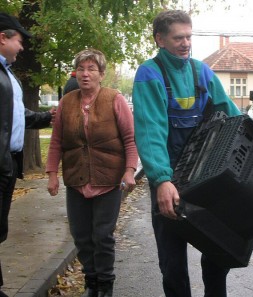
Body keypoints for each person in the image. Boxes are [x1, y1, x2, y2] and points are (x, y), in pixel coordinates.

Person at [132, 10, 241, 297]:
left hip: (205, 175)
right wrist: (161, 180)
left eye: (189, 36)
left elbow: (229, 112)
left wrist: (252, 137)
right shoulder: (149, 74)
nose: (185, 43)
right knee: (172, 263)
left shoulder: (201, 71)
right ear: (160, 39)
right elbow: (150, 130)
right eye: (178, 37)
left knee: (218, 252)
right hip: (169, 179)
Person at [46, 48, 138, 297]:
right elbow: (56, 142)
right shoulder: (67, 102)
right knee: (81, 236)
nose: (85, 75)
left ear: (101, 74)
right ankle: (91, 282)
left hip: (109, 179)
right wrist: (52, 173)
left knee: (102, 235)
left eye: (92, 69)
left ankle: (105, 284)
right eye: (81, 69)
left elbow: (130, 139)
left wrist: (129, 171)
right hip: (77, 179)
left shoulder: (114, 99)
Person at [0, 12, 56, 297]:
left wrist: (49, 116)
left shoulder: (7, 74)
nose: (22, 48)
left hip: (7, 165)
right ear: (3, 38)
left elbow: (19, 117)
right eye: (19, 41)